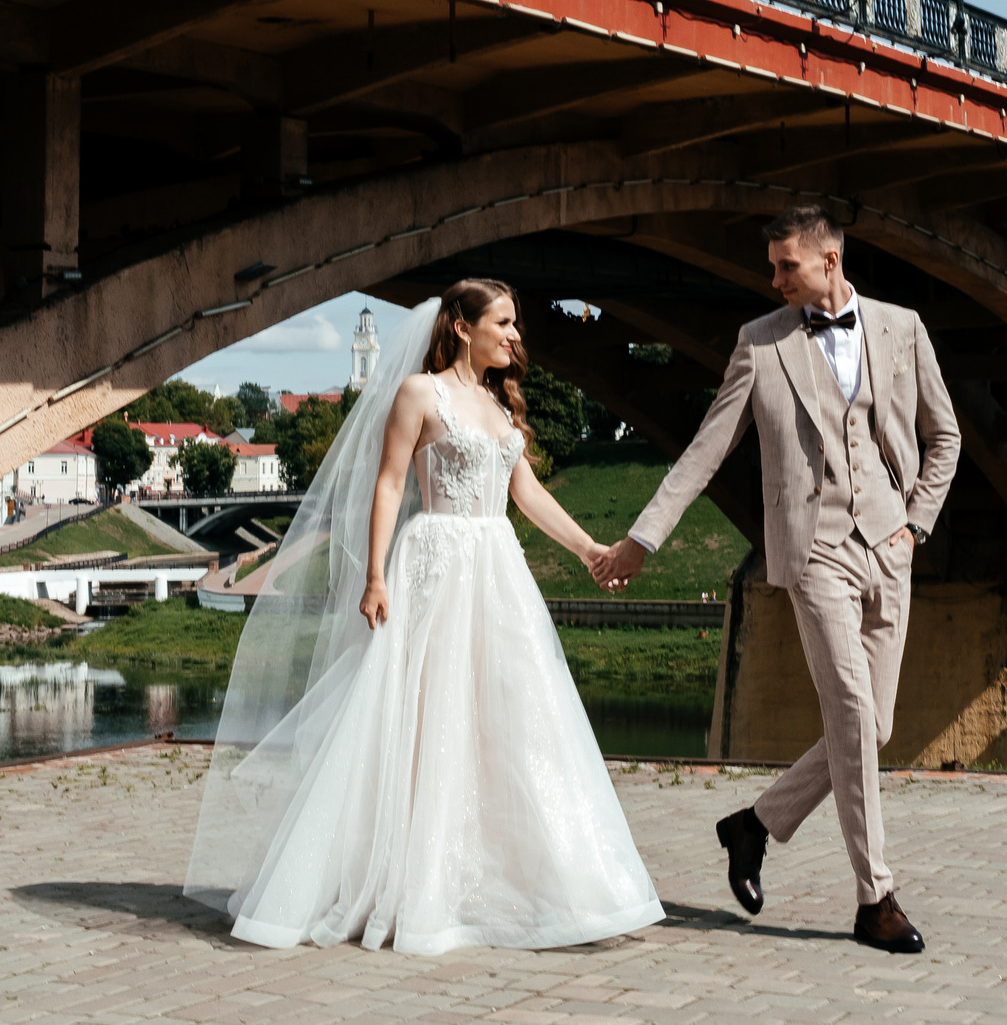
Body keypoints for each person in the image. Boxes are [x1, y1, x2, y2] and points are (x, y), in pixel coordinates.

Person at [184, 282, 663, 953]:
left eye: (516, 323)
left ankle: (539, 881)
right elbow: (387, 482)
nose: (515, 334)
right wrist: (376, 573)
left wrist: (589, 549)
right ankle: (414, 881)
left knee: (517, 716)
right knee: (423, 717)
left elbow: (524, 493)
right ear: (464, 327)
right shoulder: (421, 393)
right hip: (436, 560)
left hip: (496, 566)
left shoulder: (499, 404)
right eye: (504, 322)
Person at [592, 205, 961, 955]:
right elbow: (704, 449)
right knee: (855, 710)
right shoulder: (759, 344)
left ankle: (753, 825)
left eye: (785, 265)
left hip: (888, 546)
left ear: (831, 260)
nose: (772, 278)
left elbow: (944, 434)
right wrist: (642, 538)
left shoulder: (903, 327)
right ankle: (875, 897)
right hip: (813, 549)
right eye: (772, 266)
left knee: (872, 727)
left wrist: (916, 523)